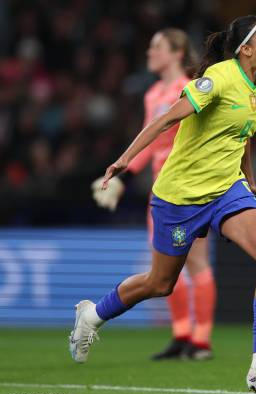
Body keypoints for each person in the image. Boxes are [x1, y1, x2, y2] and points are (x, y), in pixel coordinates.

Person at [69, 15, 256, 394]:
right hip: (180, 196)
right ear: (245, 49)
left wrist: (251, 180)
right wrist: (124, 161)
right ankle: (92, 315)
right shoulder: (217, 80)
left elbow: (242, 133)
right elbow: (164, 122)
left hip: (228, 189)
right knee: (160, 283)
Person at [90, 28, 216, 361]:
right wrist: (123, 177)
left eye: (156, 47)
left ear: (176, 52)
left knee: (196, 261)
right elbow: (151, 140)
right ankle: (181, 335)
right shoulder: (152, 95)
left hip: (192, 188)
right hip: (162, 190)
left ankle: (201, 342)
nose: (149, 53)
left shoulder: (191, 89)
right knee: (165, 267)